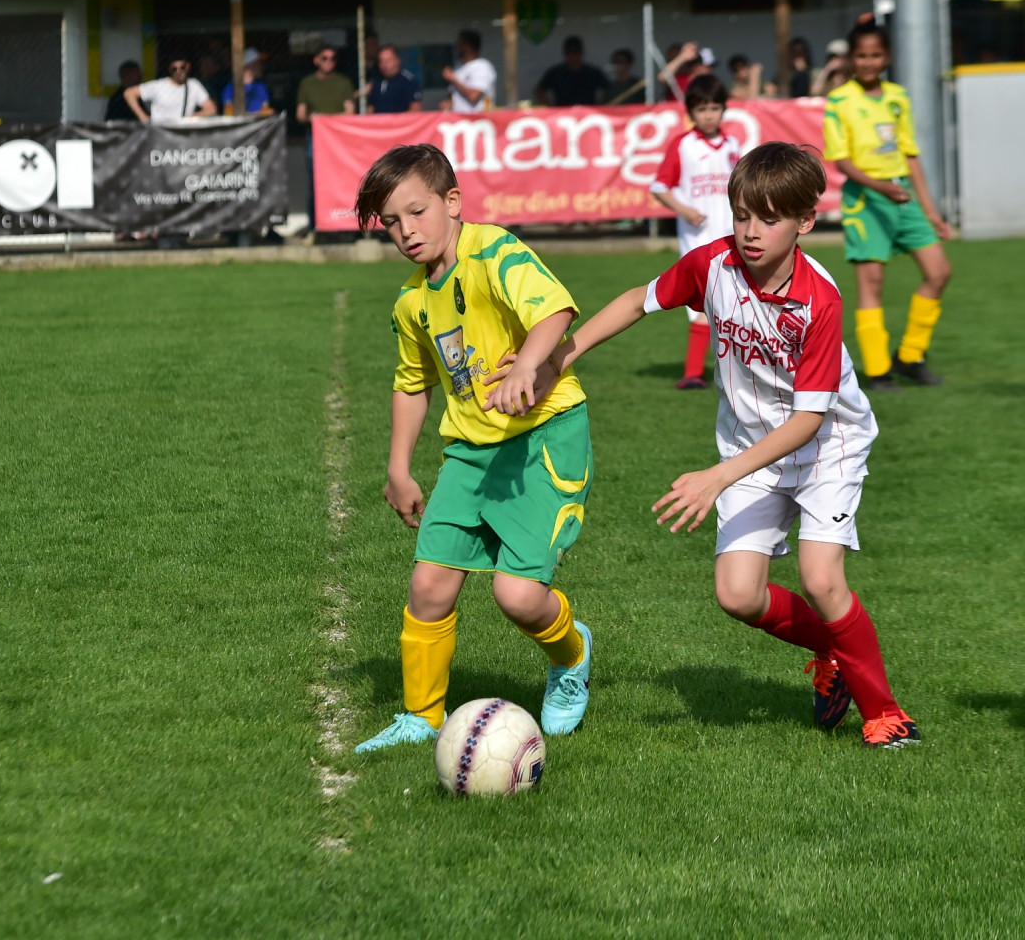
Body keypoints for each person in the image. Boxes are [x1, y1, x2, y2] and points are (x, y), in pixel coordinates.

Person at [528, 142, 919, 749]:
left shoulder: (819, 299)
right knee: (737, 594)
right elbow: (638, 300)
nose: (751, 232)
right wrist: (559, 357)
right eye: (742, 216)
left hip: (826, 444)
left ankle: (886, 716)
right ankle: (837, 652)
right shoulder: (712, 265)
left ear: (805, 222)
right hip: (749, 444)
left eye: (769, 219)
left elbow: (808, 420)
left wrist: (717, 476)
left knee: (821, 580)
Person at [350, 143, 596, 753]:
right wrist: (398, 469)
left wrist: (528, 366)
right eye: (391, 223)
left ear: (452, 202)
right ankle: (421, 718)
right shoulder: (412, 301)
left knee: (518, 597)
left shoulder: (494, 251)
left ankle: (571, 655)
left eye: (417, 212)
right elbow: (413, 384)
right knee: (429, 585)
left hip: (542, 439)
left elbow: (556, 310)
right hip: (469, 453)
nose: (407, 232)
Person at [823, 20, 953, 390]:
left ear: (888, 57)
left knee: (939, 272)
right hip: (865, 199)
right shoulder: (839, 101)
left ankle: (910, 356)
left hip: (902, 195)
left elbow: (910, 155)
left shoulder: (898, 97)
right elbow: (841, 161)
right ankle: (878, 370)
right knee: (872, 282)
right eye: (861, 55)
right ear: (851, 58)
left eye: (875, 54)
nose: (868, 62)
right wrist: (880, 187)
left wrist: (931, 211)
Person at [650, 74, 741, 390]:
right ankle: (693, 373)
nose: (709, 115)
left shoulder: (732, 145)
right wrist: (684, 209)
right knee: (704, 302)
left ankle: (726, 371)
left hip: (731, 235)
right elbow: (659, 186)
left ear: (723, 109)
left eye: (714, 108)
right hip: (697, 238)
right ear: (691, 112)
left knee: (731, 304)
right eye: (702, 109)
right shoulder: (683, 145)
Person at [296, 45, 356, 239]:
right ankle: (315, 227)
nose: (329, 62)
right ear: (316, 60)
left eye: (332, 58)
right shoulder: (307, 83)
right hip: (315, 139)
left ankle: (345, 225)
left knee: (343, 181)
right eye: (325, 58)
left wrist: (328, 119)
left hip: (340, 141)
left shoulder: (343, 82)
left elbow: (350, 111)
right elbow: (300, 114)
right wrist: (314, 119)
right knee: (316, 182)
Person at [123, 56, 217, 122]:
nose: (179, 72)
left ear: (188, 67)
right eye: (174, 69)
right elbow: (129, 93)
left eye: (182, 67)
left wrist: (190, 118)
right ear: (169, 70)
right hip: (160, 133)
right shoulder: (159, 85)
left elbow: (211, 109)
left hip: (182, 133)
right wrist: (144, 118)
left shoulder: (194, 85)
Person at [533, 36, 608, 107]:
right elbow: (539, 90)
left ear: (581, 53)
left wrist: (600, 107)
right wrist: (551, 108)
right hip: (563, 114)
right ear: (564, 54)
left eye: (575, 52)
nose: (573, 56)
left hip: (588, 113)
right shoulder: (556, 73)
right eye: (569, 52)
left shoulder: (593, 72)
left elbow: (609, 90)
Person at [439, 30, 495, 112]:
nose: (456, 47)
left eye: (459, 44)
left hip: (478, 117)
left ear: (468, 46)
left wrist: (453, 80)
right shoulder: (459, 67)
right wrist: (447, 103)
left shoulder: (482, 66)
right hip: (460, 118)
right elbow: (455, 96)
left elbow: (473, 97)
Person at [367, 45, 423, 114]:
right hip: (379, 120)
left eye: (388, 60)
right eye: (381, 61)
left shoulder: (408, 81)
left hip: (402, 120)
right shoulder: (376, 81)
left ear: (397, 61)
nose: (384, 64)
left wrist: (396, 119)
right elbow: (371, 109)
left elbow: (415, 111)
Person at [221, 48, 272, 116]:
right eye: (259, 63)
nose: (262, 66)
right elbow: (229, 114)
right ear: (248, 66)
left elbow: (265, 109)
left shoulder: (261, 87)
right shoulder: (230, 88)